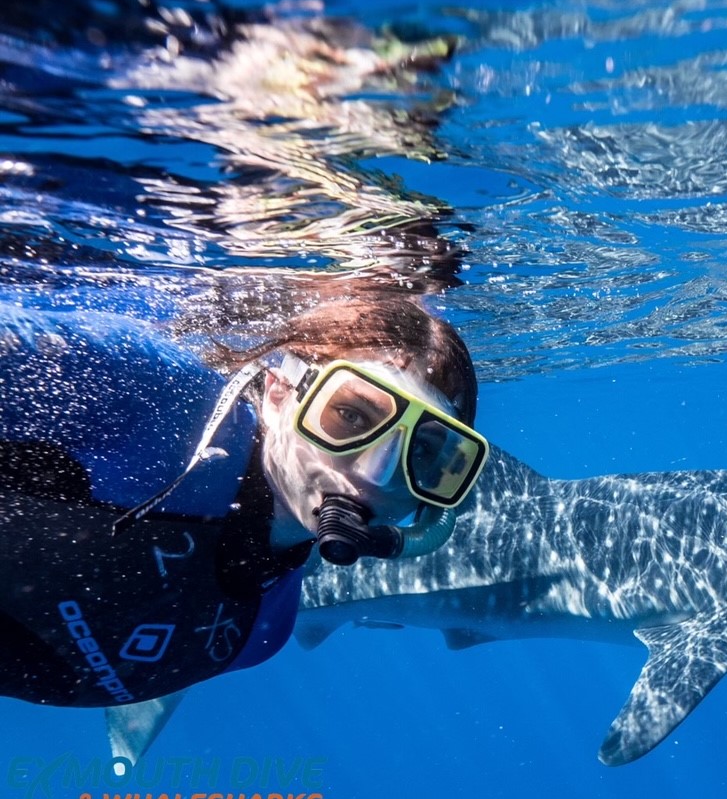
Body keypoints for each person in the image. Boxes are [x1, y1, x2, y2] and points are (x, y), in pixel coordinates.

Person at [0, 298, 486, 708]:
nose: (375, 473)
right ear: (278, 392)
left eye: (424, 450)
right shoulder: (144, 391)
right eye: (350, 415)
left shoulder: (260, 633)